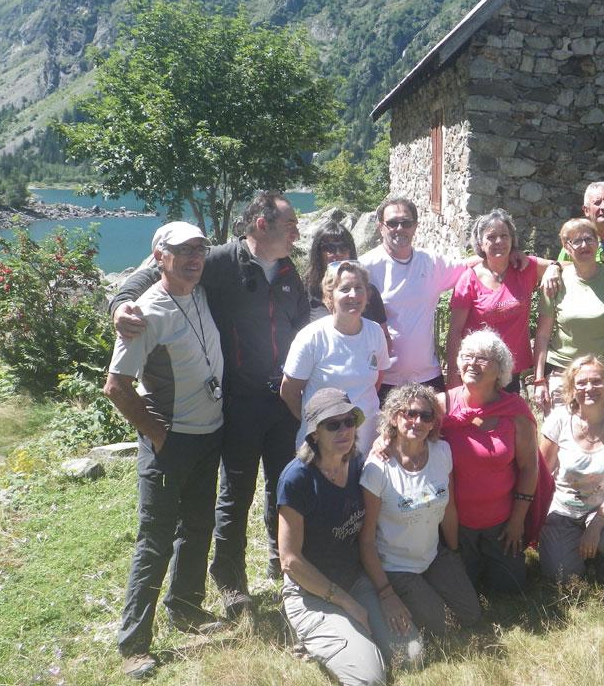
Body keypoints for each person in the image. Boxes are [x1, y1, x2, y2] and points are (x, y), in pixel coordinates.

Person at [111, 191, 308, 615]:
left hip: (282, 402)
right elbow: (150, 275)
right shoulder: (219, 261)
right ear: (262, 224)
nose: (297, 232)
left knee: (284, 486)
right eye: (290, 224)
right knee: (236, 493)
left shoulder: (292, 269)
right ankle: (231, 579)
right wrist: (118, 305)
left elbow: (300, 323)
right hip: (236, 402)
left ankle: (284, 561)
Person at [103, 222, 226, 680]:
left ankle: (186, 608)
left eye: (199, 249)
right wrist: (158, 435)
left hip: (208, 434)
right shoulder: (145, 312)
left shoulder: (199, 290)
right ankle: (135, 643)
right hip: (172, 442)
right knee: (154, 541)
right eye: (182, 251)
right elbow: (116, 386)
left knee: (197, 526)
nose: (194, 258)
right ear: (159, 256)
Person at [277, 388, 422, 686]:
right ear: (314, 433)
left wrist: (381, 594)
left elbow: (403, 445)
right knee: (370, 678)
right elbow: (290, 561)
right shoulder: (297, 479)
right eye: (333, 424)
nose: (344, 430)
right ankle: (313, 634)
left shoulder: (356, 464)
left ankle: (341, 639)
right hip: (311, 592)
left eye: (349, 421)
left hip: (356, 580)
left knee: (412, 657)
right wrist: (345, 602)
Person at [359, 197, 551, 401]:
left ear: (415, 226)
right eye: (392, 223)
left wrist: (510, 253)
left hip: (428, 375)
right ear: (381, 227)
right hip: (383, 377)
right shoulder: (365, 268)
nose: (400, 228)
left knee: (435, 432)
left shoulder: (430, 263)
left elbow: (467, 264)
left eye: (406, 222)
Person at [360, 384, 481, 638]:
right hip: (396, 566)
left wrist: (455, 551)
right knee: (445, 628)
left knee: (473, 615)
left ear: (433, 423)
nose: (417, 421)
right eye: (409, 413)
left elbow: (449, 509)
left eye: (426, 416)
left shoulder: (442, 453)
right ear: (394, 416)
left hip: (433, 556)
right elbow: (367, 539)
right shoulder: (377, 469)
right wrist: (385, 591)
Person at [441, 329, 540, 593]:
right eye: (467, 356)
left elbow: (530, 467)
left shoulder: (515, 411)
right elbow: (403, 430)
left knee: (510, 589)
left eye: (483, 358)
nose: (472, 363)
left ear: (501, 370)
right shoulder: (442, 404)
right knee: (463, 589)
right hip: (453, 524)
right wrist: (385, 441)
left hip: (501, 523)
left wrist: (518, 520)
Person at [538, 356, 604, 583]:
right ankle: (579, 552)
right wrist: (538, 520)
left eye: (596, 381)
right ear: (571, 389)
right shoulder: (558, 420)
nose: (589, 388)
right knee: (563, 576)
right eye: (581, 383)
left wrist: (595, 526)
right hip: (563, 510)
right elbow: (542, 474)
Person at [281, 261, 391, 457]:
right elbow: (288, 391)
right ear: (329, 296)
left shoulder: (375, 332)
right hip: (323, 450)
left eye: (359, 288)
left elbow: (376, 382)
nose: (353, 295)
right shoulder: (312, 337)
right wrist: (317, 423)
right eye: (345, 289)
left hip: (368, 447)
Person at [446, 209, 561, 393]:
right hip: (478, 372)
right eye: (491, 237)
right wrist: (453, 374)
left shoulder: (525, 267)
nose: (498, 242)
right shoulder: (469, 279)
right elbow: (455, 332)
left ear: (512, 240)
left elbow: (574, 268)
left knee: (509, 421)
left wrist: (555, 267)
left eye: (504, 236)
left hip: (511, 372)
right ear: (480, 243)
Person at [533, 218, 604, 414]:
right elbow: (543, 336)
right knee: (560, 438)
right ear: (566, 247)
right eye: (576, 241)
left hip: (603, 376)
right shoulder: (554, 281)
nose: (584, 245)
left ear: (598, 242)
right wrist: (539, 380)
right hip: (563, 373)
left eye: (589, 239)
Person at [304, 219, 388, 331]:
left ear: (351, 251)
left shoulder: (368, 292)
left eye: (343, 248)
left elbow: (384, 335)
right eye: (329, 248)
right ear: (318, 252)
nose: (337, 254)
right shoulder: (306, 292)